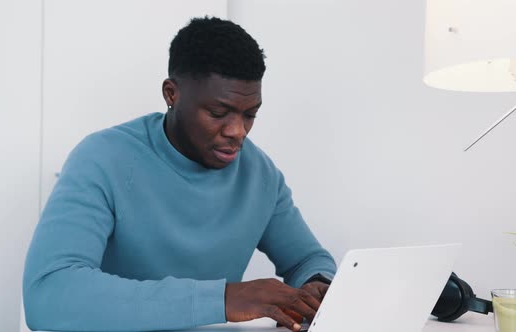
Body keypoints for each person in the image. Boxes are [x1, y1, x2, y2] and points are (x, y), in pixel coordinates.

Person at [23, 16, 336, 332]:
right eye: (218, 113)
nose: (238, 131)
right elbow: (49, 293)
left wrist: (318, 286)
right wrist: (224, 299)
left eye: (250, 115)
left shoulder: (260, 174)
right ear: (172, 94)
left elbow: (307, 261)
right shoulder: (103, 158)